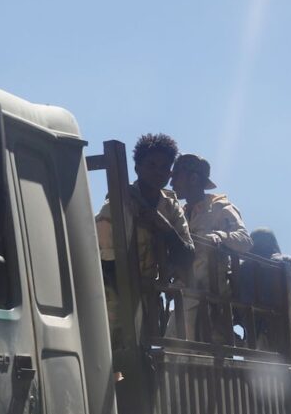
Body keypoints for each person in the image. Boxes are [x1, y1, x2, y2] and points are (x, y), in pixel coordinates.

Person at [96, 134, 194, 346]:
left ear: (170, 173)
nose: (158, 171)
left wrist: (165, 229)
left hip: (150, 300)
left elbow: (187, 254)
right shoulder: (116, 204)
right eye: (151, 164)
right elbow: (105, 262)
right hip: (112, 301)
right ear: (138, 167)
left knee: (147, 366)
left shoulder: (170, 208)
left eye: (164, 167)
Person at [169, 154, 252, 341]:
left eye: (176, 176)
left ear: (193, 178)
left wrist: (219, 237)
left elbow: (244, 241)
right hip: (185, 292)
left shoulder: (220, 208)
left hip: (212, 298)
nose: (171, 182)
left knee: (205, 357)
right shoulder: (180, 214)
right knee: (175, 353)